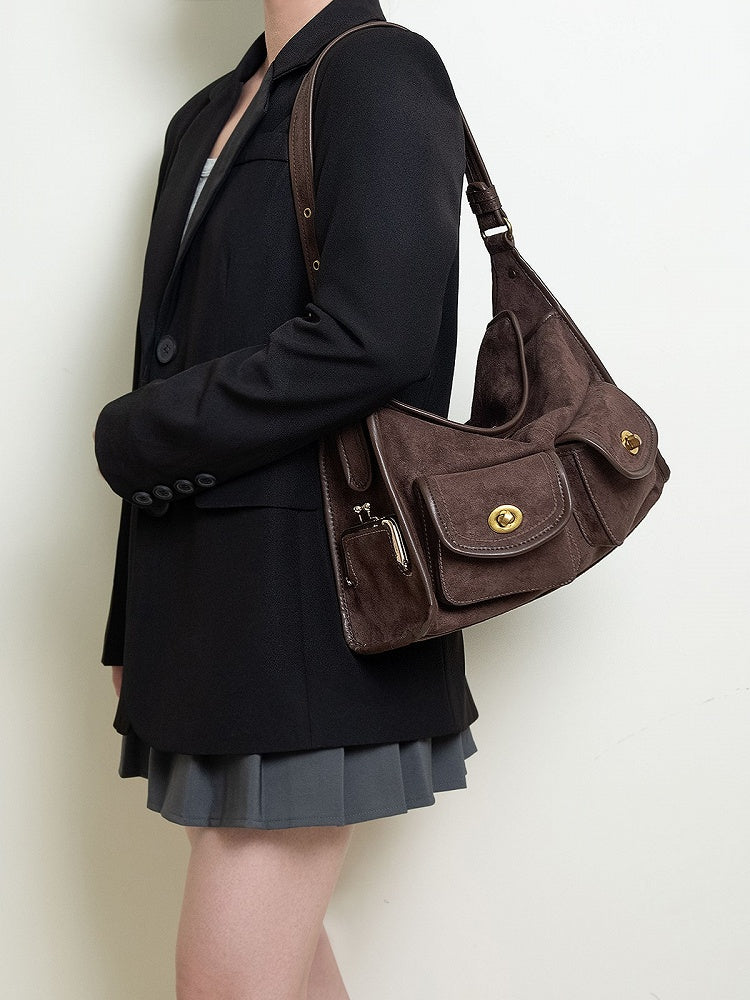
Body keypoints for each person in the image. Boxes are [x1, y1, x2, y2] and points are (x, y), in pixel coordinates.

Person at [93, 0, 480, 996]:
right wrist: (133, 621)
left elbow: (375, 337)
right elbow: (170, 353)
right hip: (204, 610)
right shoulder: (206, 114)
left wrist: (141, 431)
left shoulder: (380, 70)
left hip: (311, 607)